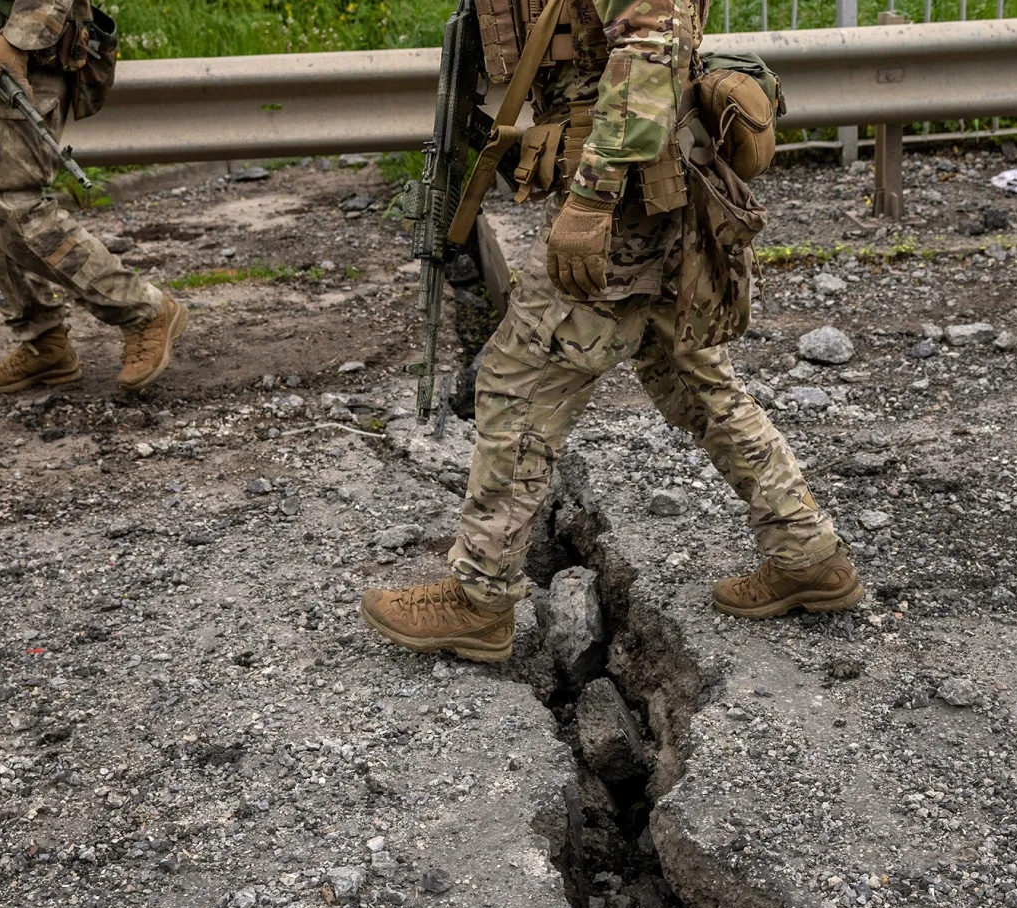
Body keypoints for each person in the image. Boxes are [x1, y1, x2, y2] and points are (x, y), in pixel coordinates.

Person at [361, 0, 863, 664]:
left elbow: (650, 48)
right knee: (693, 379)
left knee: (520, 376)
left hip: (626, 193)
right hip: (648, 185)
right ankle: (807, 553)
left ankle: (480, 600)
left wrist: (592, 199)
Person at [0, 0, 186, 393]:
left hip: (28, 59)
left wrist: (17, 41)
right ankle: (45, 342)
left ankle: (143, 310)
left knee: (18, 208)